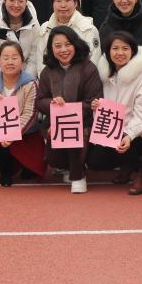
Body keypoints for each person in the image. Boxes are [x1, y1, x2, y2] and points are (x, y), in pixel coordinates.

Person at [36, 26, 104, 193]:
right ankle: (69, 166)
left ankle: (77, 175)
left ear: (75, 44)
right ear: (51, 49)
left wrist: (69, 112)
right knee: (54, 159)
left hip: (85, 123)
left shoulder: (88, 68)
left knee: (72, 130)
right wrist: (53, 103)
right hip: (55, 122)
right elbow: (39, 101)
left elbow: (93, 101)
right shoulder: (47, 71)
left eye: (68, 44)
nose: (63, 50)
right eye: (57, 46)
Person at [93, 31, 142, 195]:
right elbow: (103, 111)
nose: (120, 53)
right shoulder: (104, 75)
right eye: (115, 48)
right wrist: (96, 108)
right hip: (112, 131)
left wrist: (128, 135)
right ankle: (128, 165)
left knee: (128, 145)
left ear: (132, 51)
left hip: (139, 135)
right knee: (95, 160)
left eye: (125, 48)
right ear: (108, 51)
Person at [0, 41, 45, 186]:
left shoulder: (31, 83)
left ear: (22, 61)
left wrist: (12, 133)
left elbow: (30, 114)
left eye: (15, 58)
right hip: (0, 134)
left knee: (30, 172)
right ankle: (6, 171)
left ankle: (24, 166)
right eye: (5, 58)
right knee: (1, 149)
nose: (10, 62)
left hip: (26, 133)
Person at [35, 0, 102, 73]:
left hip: (82, 80)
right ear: (52, 4)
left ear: (75, 3)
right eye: (58, 1)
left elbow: (94, 62)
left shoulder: (88, 29)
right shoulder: (45, 28)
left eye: (67, 0)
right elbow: (41, 63)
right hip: (52, 80)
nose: (63, 5)